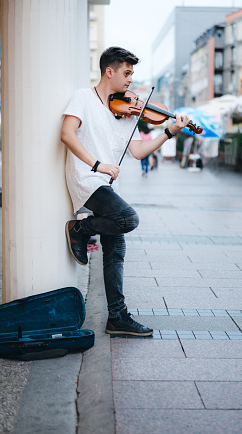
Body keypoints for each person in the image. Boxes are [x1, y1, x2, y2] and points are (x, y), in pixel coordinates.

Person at [60, 46, 190, 337]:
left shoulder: (127, 113)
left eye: (132, 74)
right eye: (127, 73)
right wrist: (97, 164)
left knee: (116, 251)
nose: (131, 80)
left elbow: (140, 152)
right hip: (87, 177)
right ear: (110, 71)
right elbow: (67, 134)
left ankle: (117, 317)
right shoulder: (83, 97)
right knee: (128, 218)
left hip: (107, 183)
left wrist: (169, 132)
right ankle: (81, 229)